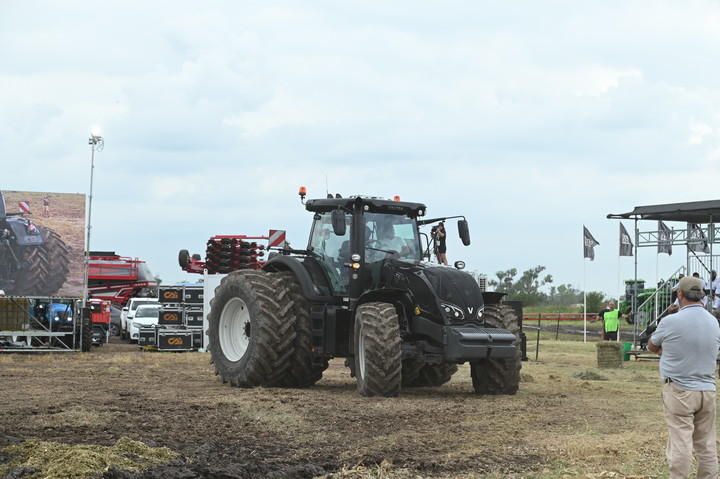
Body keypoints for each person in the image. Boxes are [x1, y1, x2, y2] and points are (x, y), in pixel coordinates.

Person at [647, 276, 720, 479]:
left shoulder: (670, 321)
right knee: (706, 444)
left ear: (680, 294)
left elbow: (651, 346)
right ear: (702, 295)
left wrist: (670, 350)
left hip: (679, 390)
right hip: (707, 389)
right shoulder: (713, 321)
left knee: (681, 443)